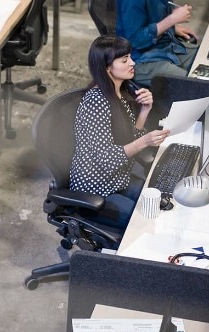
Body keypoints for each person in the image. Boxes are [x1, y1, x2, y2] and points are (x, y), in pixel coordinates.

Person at [70, 36, 170, 228]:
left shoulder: (119, 94)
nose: (132, 63)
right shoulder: (96, 103)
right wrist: (145, 142)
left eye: (130, 57)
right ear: (107, 68)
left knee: (161, 201)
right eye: (124, 60)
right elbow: (106, 159)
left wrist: (145, 110)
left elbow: (129, 138)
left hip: (118, 179)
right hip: (95, 190)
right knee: (147, 221)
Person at [116, 0, 199, 87]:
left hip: (164, 46)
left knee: (207, 60)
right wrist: (172, 20)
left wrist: (171, 27)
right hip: (141, 60)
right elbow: (135, 40)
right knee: (196, 86)